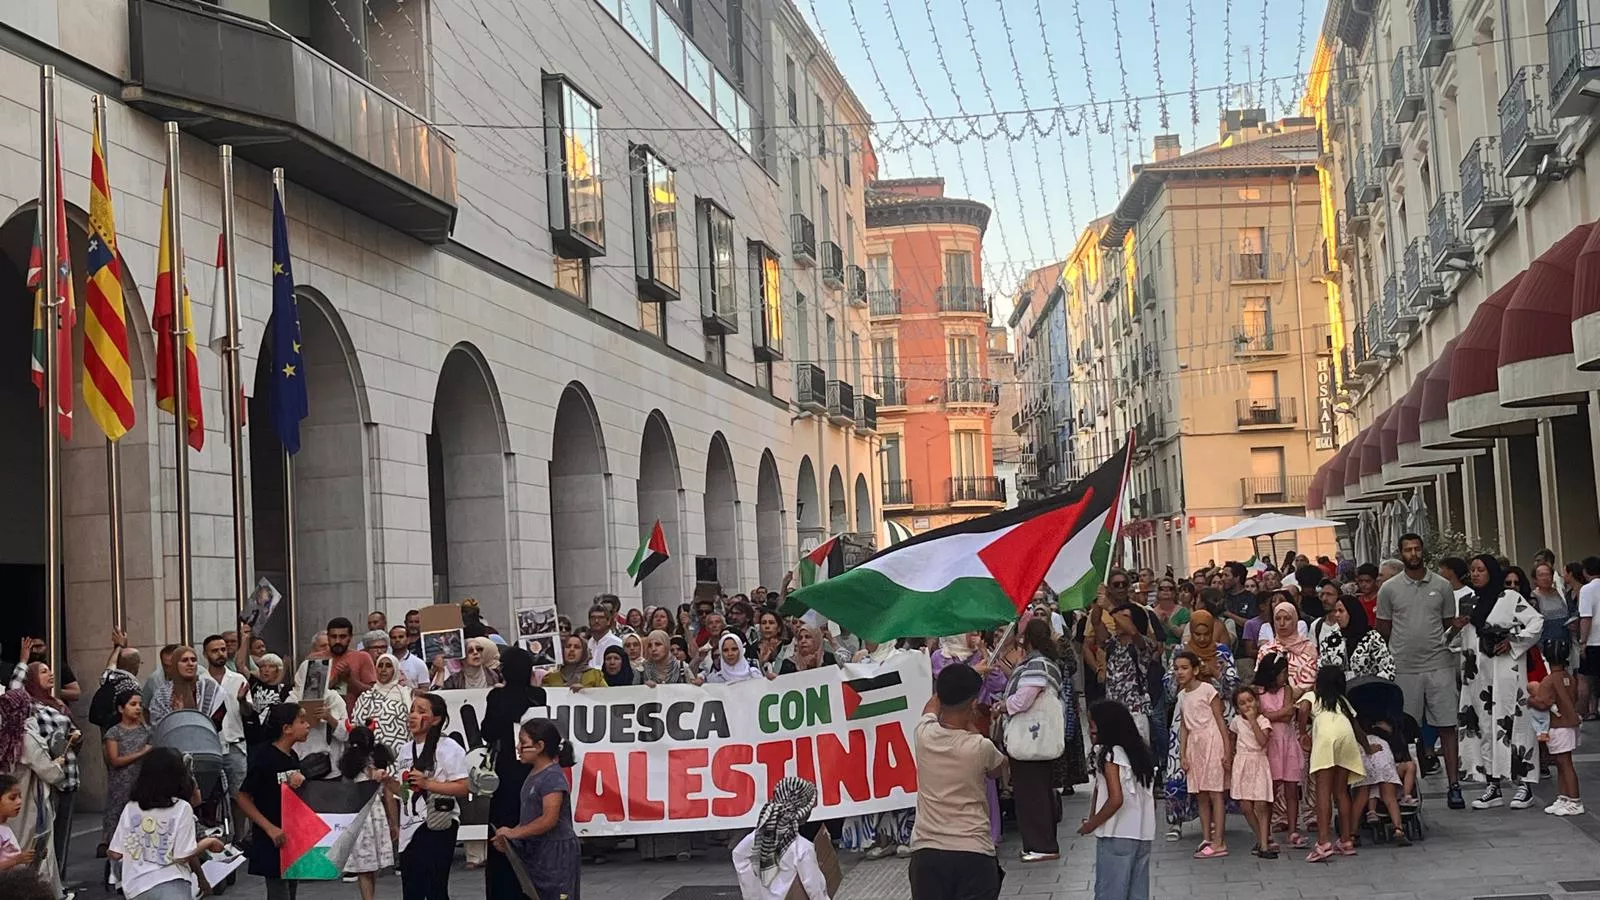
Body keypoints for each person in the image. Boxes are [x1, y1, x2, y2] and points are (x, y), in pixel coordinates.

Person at [1375, 533, 1465, 809]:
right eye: (1407, 550)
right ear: (1400, 553)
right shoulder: (1389, 589)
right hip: (1404, 666)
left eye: (1416, 549)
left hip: (1439, 663)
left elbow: (1449, 623)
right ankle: (1407, 789)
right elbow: (1383, 629)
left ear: (1423, 551)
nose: (1413, 554)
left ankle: (1454, 786)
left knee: (1447, 724)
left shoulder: (1442, 586)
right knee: (1402, 729)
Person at [908, 663, 1006, 900]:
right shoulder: (980, 747)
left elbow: (931, 704)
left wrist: (961, 676)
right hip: (973, 851)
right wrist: (973, 727)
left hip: (927, 853)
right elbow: (999, 770)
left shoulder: (923, 734)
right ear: (973, 704)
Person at [1459, 553, 1542, 810]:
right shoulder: (1468, 602)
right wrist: (1455, 626)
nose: (1475, 574)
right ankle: (1492, 785)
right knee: (1485, 726)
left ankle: (1524, 785)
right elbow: (1456, 640)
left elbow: (1536, 622)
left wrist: (1513, 641)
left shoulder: (1509, 598)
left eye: (1480, 570)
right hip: (1479, 676)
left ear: (1492, 572)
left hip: (1507, 673)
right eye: (1472, 570)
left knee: (1514, 723)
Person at [107, 747, 225, 900]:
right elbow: (183, 855)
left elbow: (115, 853)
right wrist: (210, 841)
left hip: (136, 888)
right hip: (172, 885)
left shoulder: (131, 807)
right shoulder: (182, 808)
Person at [482, 648, 548, 898]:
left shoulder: (497, 697)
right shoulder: (538, 695)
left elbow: (487, 732)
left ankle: (503, 890)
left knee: (503, 829)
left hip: (508, 771)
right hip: (535, 769)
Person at [390, 693, 470, 900]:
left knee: (435, 889)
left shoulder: (449, 748)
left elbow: (465, 787)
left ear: (436, 719)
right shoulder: (405, 750)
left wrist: (428, 784)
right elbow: (403, 792)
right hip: (410, 827)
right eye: (412, 710)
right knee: (411, 891)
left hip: (438, 823)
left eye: (421, 711)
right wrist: (384, 781)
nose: (413, 716)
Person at [492, 719, 582, 900]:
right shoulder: (533, 774)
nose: (518, 747)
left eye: (523, 743)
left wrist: (515, 833)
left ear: (540, 746)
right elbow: (530, 816)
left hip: (555, 853)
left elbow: (549, 819)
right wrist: (510, 840)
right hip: (538, 851)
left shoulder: (552, 777)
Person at [998, 617, 1064, 863]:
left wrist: (1003, 706)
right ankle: (1043, 843)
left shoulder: (1037, 665)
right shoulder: (1042, 662)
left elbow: (1023, 700)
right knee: (1039, 791)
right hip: (1038, 739)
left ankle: (1041, 845)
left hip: (1030, 738)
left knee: (1031, 793)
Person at [1077, 699, 1155, 900]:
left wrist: (1091, 824)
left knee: (1110, 892)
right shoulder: (1139, 754)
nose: (1089, 730)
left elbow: (1115, 798)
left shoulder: (1111, 755)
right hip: (1142, 833)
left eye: (1092, 725)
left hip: (1116, 833)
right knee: (1137, 892)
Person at [236, 703, 311, 900]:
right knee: (278, 892)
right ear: (286, 729)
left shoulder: (293, 757)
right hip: (272, 838)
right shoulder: (264, 757)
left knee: (291, 890)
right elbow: (243, 797)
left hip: (290, 837)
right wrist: (269, 828)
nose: (308, 725)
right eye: (302, 721)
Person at [1298, 665, 1366, 862]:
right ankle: (1346, 841)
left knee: (1323, 791)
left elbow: (1302, 708)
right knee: (1341, 791)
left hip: (1326, 738)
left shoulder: (1313, 696)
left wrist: (1303, 733)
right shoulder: (1342, 701)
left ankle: (1323, 842)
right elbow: (1356, 727)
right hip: (1346, 736)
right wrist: (1368, 748)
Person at [1173, 650, 1229, 859]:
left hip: (1211, 742)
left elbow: (1220, 719)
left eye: (1185, 668)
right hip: (1195, 746)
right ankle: (1206, 837)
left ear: (1195, 670)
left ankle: (1219, 841)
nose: (1180, 672)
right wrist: (1183, 754)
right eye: (1177, 668)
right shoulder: (1181, 695)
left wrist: (1226, 748)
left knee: (1215, 792)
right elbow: (1185, 726)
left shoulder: (1207, 690)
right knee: (1201, 794)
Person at [732, 776, 826, 900]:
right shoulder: (802, 848)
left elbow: (739, 855)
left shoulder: (759, 837)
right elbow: (814, 889)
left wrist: (754, 894)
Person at [337, 727, 397, 900]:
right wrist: (394, 823)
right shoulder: (376, 762)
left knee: (365, 866)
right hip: (375, 813)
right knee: (371, 866)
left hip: (358, 813)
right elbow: (388, 795)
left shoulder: (348, 765)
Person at [1253, 652, 1305, 849]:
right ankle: (1267, 830)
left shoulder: (1288, 690)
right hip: (1270, 742)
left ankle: (1293, 829)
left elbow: (1286, 715)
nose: (1285, 677)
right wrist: (1279, 713)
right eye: (1282, 673)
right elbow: (1264, 716)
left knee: (1292, 787)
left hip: (1288, 741)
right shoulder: (1258, 691)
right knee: (1271, 789)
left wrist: (1271, 714)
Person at [202, 634, 250, 810]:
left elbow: (247, 713)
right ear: (205, 654)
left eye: (222, 649)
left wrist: (243, 701)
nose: (220, 653)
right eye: (215, 651)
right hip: (209, 746)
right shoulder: (200, 682)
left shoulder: (239, 679)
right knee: (209, 797)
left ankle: (240, 836)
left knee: (240, 796)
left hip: (235, 746)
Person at [1535, 637, 1583, 815]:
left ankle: (1574, 800)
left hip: (1557, 726)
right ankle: (1564, 797)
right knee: (1564, 762)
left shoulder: (1548, 681)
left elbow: (1543, 703)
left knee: (1564, 764)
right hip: (1570, 724)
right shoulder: (1569, 677)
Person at [101, 690, 152, 858]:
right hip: (120, 785)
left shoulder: (147, 732)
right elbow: (114, 760)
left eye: (139, 705)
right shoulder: (114, 732)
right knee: (119, 822)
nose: (137, 708)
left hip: (142, 783)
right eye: (133, 704)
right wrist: (141, 753)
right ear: (121, 709)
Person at [1349, 712, 1410, 847]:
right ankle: (1398, 829)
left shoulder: (1357, 741)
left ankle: (1352, 834)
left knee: (1360, 799)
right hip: (1384, 762)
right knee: (1390, 798)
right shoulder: (1383, 740)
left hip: (1364, 762)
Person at [1229, 686, 1275, 859]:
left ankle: (1264, 845)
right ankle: (1261, 837)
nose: (1247, 705)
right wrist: (1230, 756)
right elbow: (1231, 737)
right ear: (1237, 707)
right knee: (1246, 806)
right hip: (1242, 762)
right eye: (1242, 703)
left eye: (1250, 700)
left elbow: (1262, 741)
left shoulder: (1263, 721)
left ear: (1256, 701)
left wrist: (1253, 721)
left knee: (1261, 805)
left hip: (1259, 762)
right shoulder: (1236, 721)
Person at [350, 653, 413, 752]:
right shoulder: (366, 696)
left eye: (388, 666)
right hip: (370, 752)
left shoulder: (406, 694)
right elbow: (355, 726)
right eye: (380, 665)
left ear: (395, 669)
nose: (383, 669)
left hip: (400, 751)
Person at [147, 647, 222, 726]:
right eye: (184, 660)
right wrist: (176, 716)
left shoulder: (209, 687)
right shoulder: (163, 694)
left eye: (193, 660)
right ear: (175, 664)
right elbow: (158, 725)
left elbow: (220, 720)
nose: (190, 664)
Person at [1257, 598, 1317, 691]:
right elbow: (1260, 680)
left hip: (1303, 699)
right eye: (1277, 619)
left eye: (1287, 618)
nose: (1282, 623)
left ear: (1295, 620)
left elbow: (1311, 681)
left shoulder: (1308, 648)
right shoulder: (1266, 650)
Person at [243, 654, 294, 749]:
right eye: (263, 666)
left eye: (271, 667)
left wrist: (284, 669)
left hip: (275, 739)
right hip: (253, 737)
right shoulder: (255, 684)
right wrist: (245, 640)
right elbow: (240, 666)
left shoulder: (284, 689)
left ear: (278, 670)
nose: (266, 669)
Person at [326, 618, 379, 703]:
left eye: (342, 637)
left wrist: (350, 679)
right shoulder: (316, 658)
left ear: (350, 637)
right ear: (327, 637)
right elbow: (310, 695)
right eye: (333, 636)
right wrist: (334, 681)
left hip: (355, 714)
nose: (337, 641)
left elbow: (372, 692)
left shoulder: (362, 657)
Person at [438, 637, 503, 690]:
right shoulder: (454, 680)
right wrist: (441, 671)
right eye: (470, 651)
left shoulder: (495, 675)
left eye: (479, 649)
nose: (475, 652)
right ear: (463, 656)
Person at [0, 774, 32, 871]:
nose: (19, 801)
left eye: (20, 796)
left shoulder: (5, 829)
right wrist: (16, 860)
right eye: (12, 798)